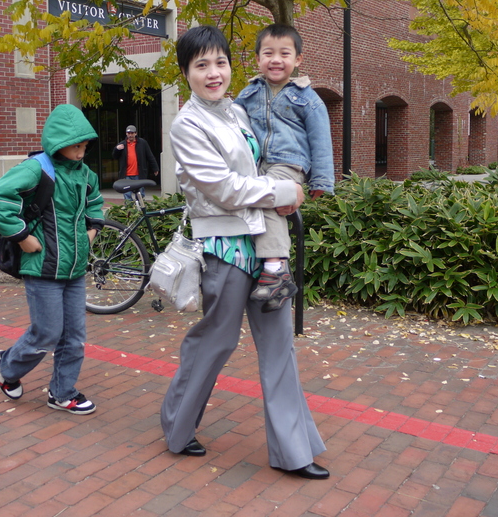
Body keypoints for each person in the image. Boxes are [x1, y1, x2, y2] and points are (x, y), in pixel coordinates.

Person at [160, 25, 329, 479]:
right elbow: (225, 188)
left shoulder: (238, 111)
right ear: (186, 72)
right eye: (202, 65)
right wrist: (285, 191)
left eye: (220, 62)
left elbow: (278, 155)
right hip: (225, 248)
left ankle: (294, 452)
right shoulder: (187, 124)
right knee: (217, 339)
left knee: (279, 347)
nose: (213, 73)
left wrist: (295, 186)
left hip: (266, 243)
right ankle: (177, 425)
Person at [0, 104, 105, 414]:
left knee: (74, 337)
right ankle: (7, 366)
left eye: (84, 146)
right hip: (42, 267)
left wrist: (91, 233)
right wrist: (22, 237)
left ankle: (62, 393)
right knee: (47, 333)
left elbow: (95, 204)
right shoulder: (36, 168)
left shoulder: (86, 174)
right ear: (58, 142)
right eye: (75, 146)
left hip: (74, 269)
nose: (81, 152)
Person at [233, 24, 334, 311]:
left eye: (284, 54)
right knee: (254, 198)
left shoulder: (307, 97)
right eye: (268, 53)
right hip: (257, 165)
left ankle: (276, 268)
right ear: (258, 59)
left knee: (267, 196)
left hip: (289, 163)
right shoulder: (248, 93)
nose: (276, 60)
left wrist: (321, 181)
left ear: (298, 59)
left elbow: (321, 139)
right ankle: (266, 271)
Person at [112, 124, 159, 203]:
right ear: (126, 134)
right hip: (126, 175)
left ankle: (140, 208)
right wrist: (117, 149)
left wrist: (155, 168)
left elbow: (150, 156)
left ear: (135, 133)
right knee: (127, 195)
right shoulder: (122, 144)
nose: (130, 135)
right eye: (128, 133)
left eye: (132, 133)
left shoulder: (142, 143)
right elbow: (115, 156)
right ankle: (129, 208)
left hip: (139, 174)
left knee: (140, 194)